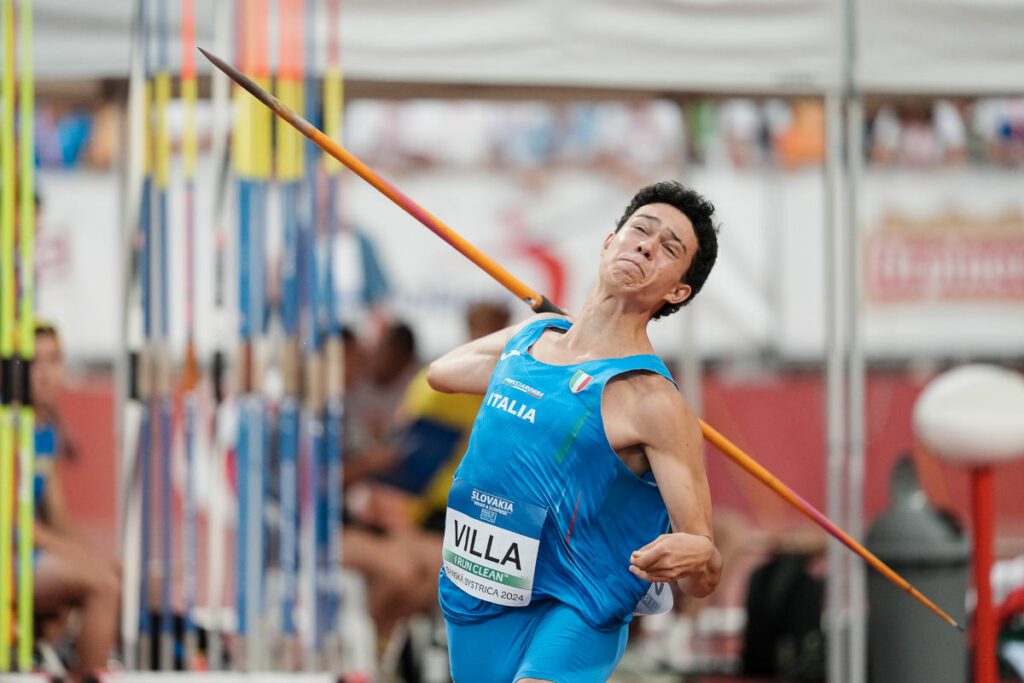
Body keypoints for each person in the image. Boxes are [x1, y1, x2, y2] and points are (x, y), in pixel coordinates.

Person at [427, 181, 723, 683]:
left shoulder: (652, 400)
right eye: (639, 231)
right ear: (610, 242)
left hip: (576, 606)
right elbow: (442, 372)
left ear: (678, 291)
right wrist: (560, 329)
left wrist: (698, 551)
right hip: (477, 590)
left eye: (669, 248)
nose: (647, 245)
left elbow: (703, 571)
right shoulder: (530, 339)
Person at [31, 322, 120, 679]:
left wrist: (94, 558)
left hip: (28, 552)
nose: (46, 373)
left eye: (54, 360)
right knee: (102, 586)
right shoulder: (9, 426)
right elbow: (14, 524)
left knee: (112, 573)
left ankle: (71, 658)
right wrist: (86, 563)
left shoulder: (46, 428)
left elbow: (59, 517)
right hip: (12, 557)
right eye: (35, 362)